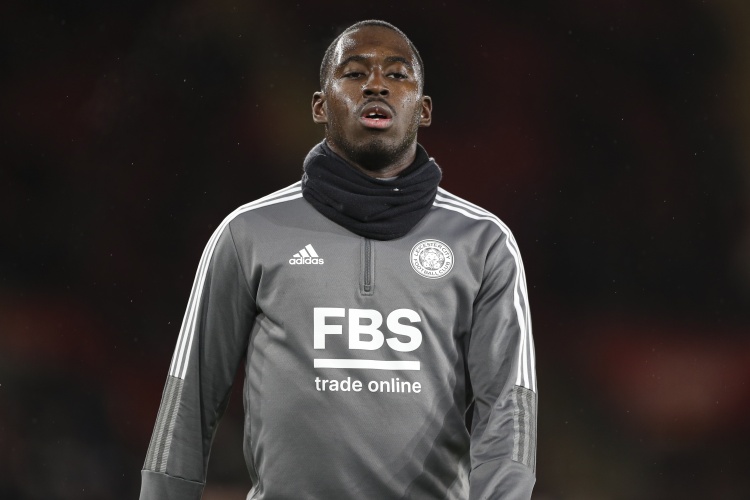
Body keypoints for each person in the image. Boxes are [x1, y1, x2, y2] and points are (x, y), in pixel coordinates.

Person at [140, 19, 537, 499]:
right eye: (354, 73)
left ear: (424, 109)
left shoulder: (483, 242)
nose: (376, 85)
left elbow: (508, 409)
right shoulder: (249, 233)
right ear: (320, 106)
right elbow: (191, 398)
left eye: (397, 74)